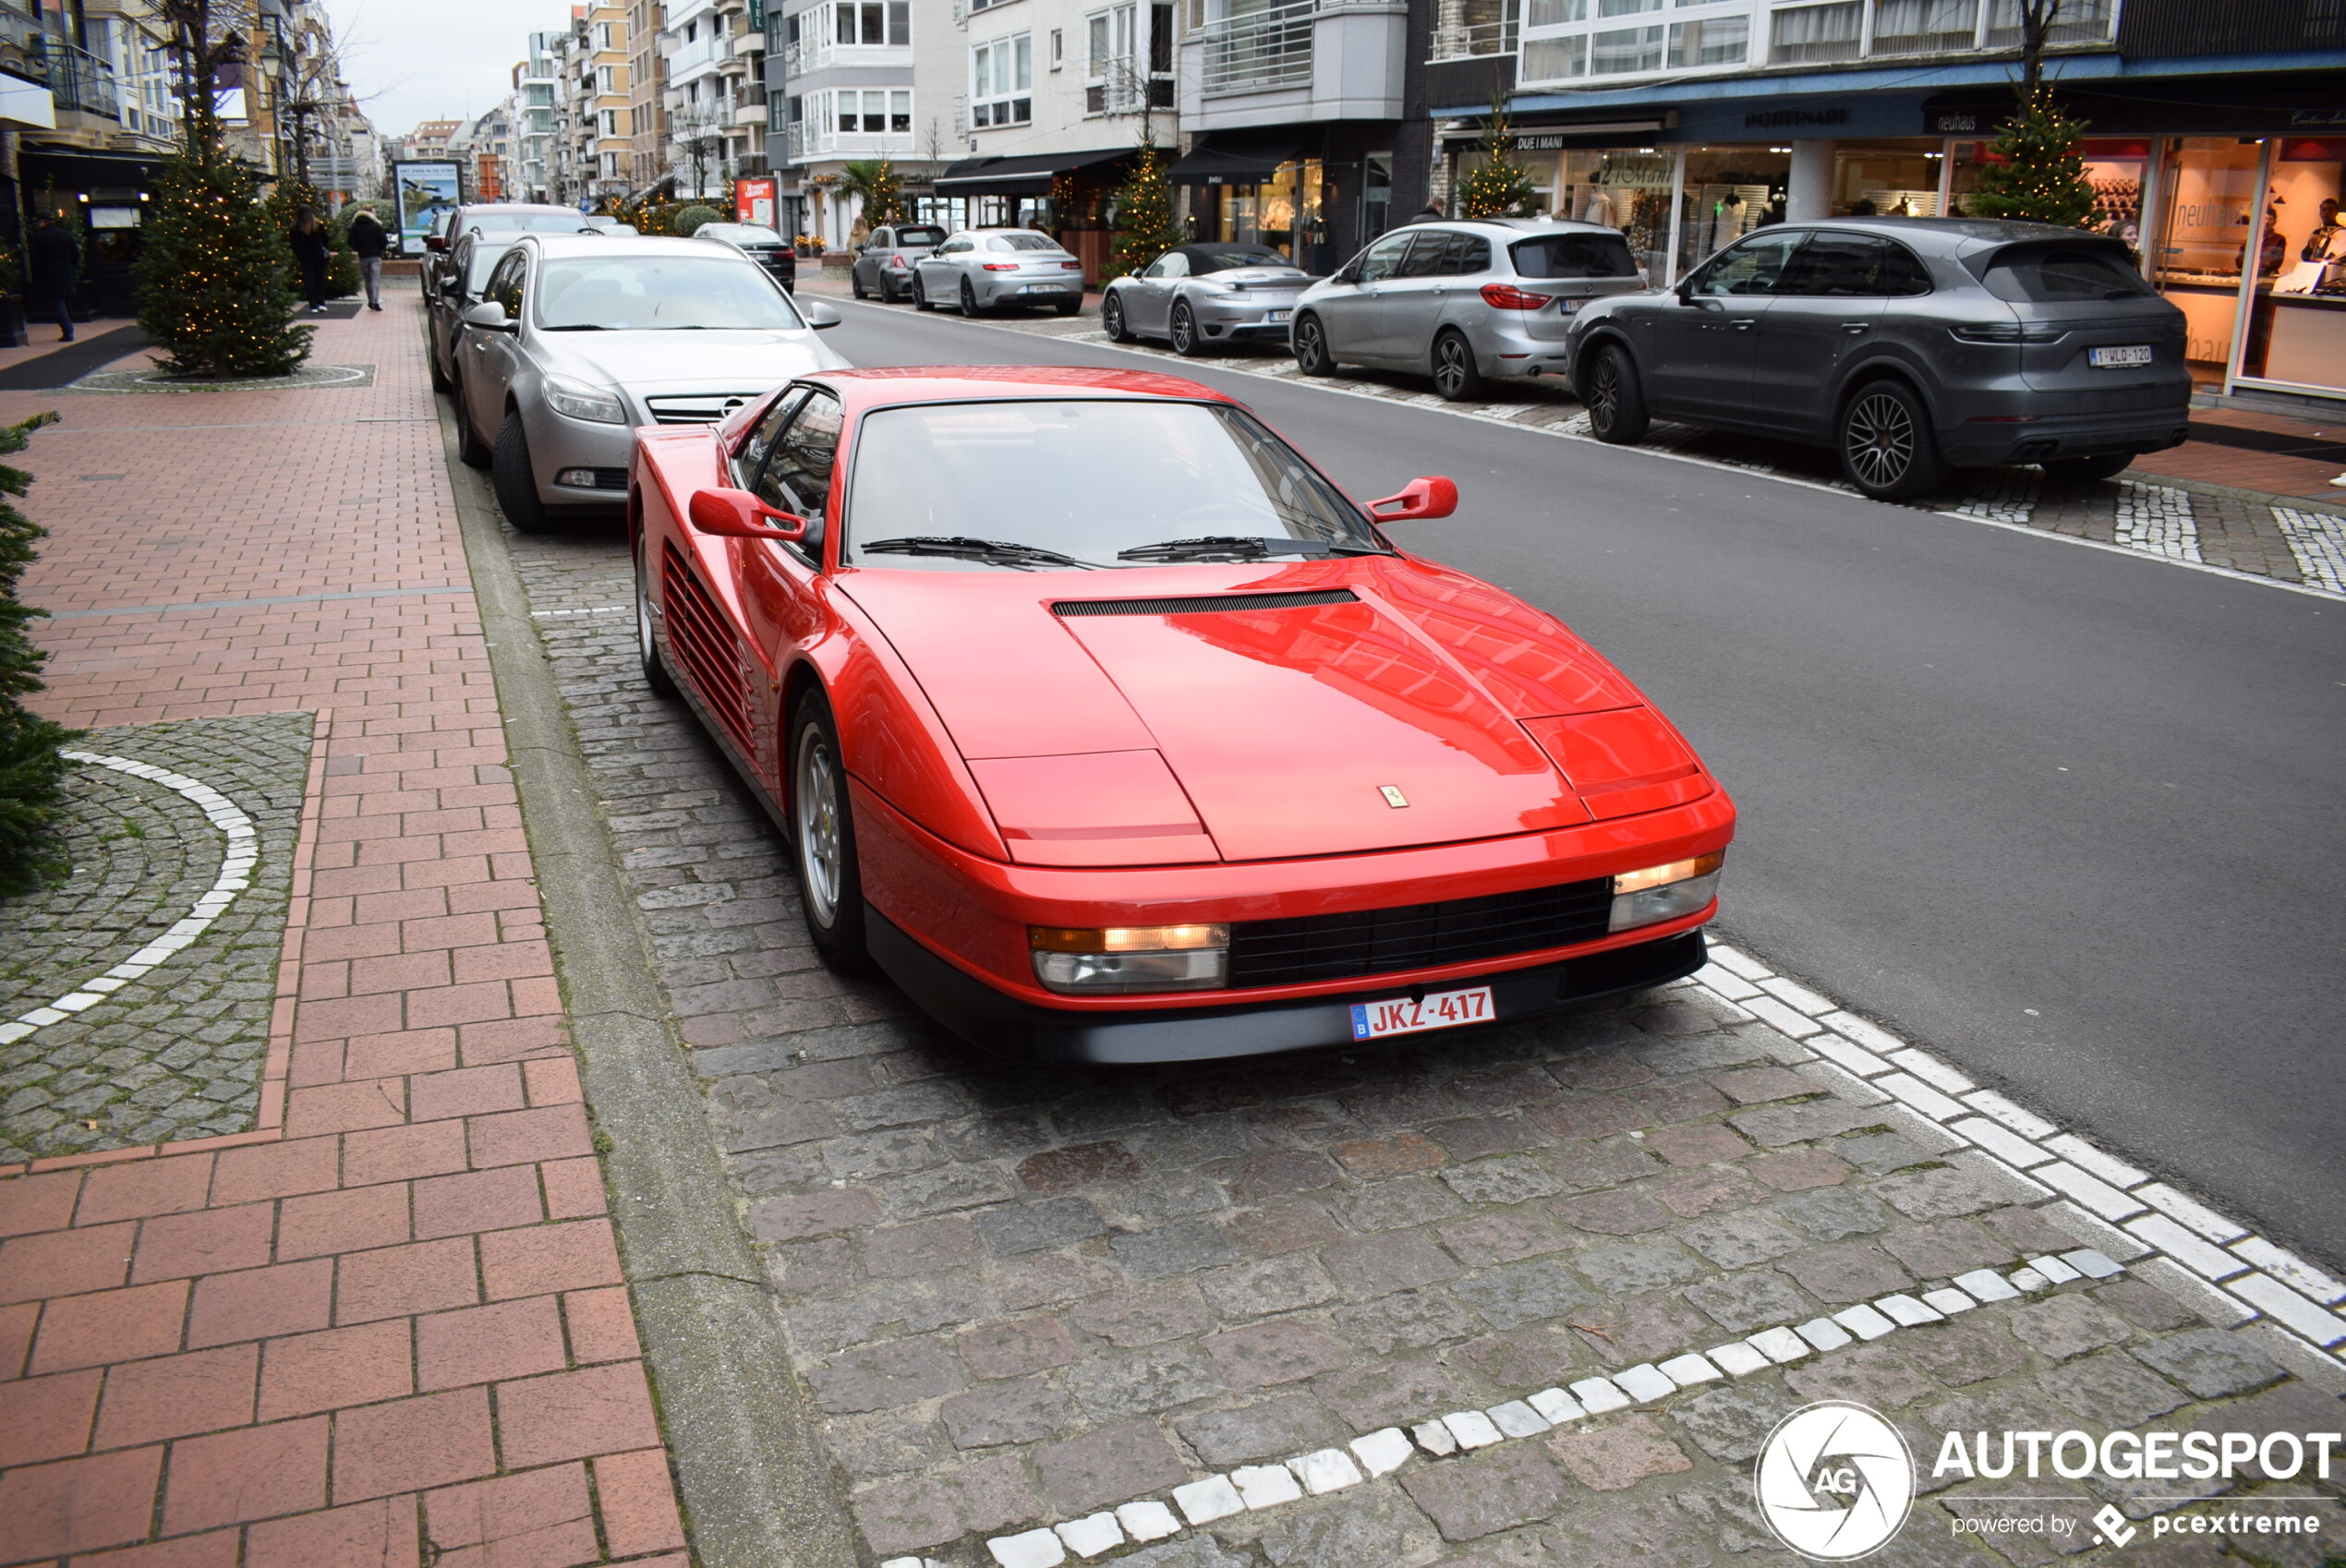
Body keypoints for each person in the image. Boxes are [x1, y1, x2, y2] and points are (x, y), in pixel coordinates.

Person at [28, 214, 77, 343]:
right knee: (66, 301)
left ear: (43, 222)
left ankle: (68, 331)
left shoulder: (39, 237)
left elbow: (36, 260)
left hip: (50, 275)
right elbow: (75, 255)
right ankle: (69, 327)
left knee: (58, 303)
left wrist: (38, 276)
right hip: (67, 273)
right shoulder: (66, 235)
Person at [290, 204, 330, 315]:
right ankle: (321, 303)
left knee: (309, 281)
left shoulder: (295, 227)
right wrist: (323, 249)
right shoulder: (317, 225)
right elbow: (326, 239)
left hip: (304, 257)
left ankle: (313, 305)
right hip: (318, 255)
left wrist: (299, 253)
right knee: (319, 279)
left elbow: (293, 243)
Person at [346, 203, 387, 310]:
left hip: (363, 256)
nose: (376, 213)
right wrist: (381, 249)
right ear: (370, 214)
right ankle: (375, 301)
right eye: (374, 212)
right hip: (375, 255)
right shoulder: (376, 226)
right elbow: (383, 241)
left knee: (367, 279)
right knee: (375, 279)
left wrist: (359, 248)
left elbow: (351, 241)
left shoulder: (355, 226)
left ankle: (370, 300)